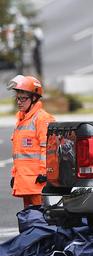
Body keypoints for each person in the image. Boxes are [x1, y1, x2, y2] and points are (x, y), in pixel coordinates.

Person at [8, 75, 55, 208]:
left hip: (38, 183)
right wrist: (14, 175)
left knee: (41, 220)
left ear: (34, 98)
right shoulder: (22, 120)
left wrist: (44, 173)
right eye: (18, 98)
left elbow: (47, 149)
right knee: (30, 220)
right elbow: (19, 153)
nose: (19, 102)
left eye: (23, 98)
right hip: (25, 183)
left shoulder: (42, 119)